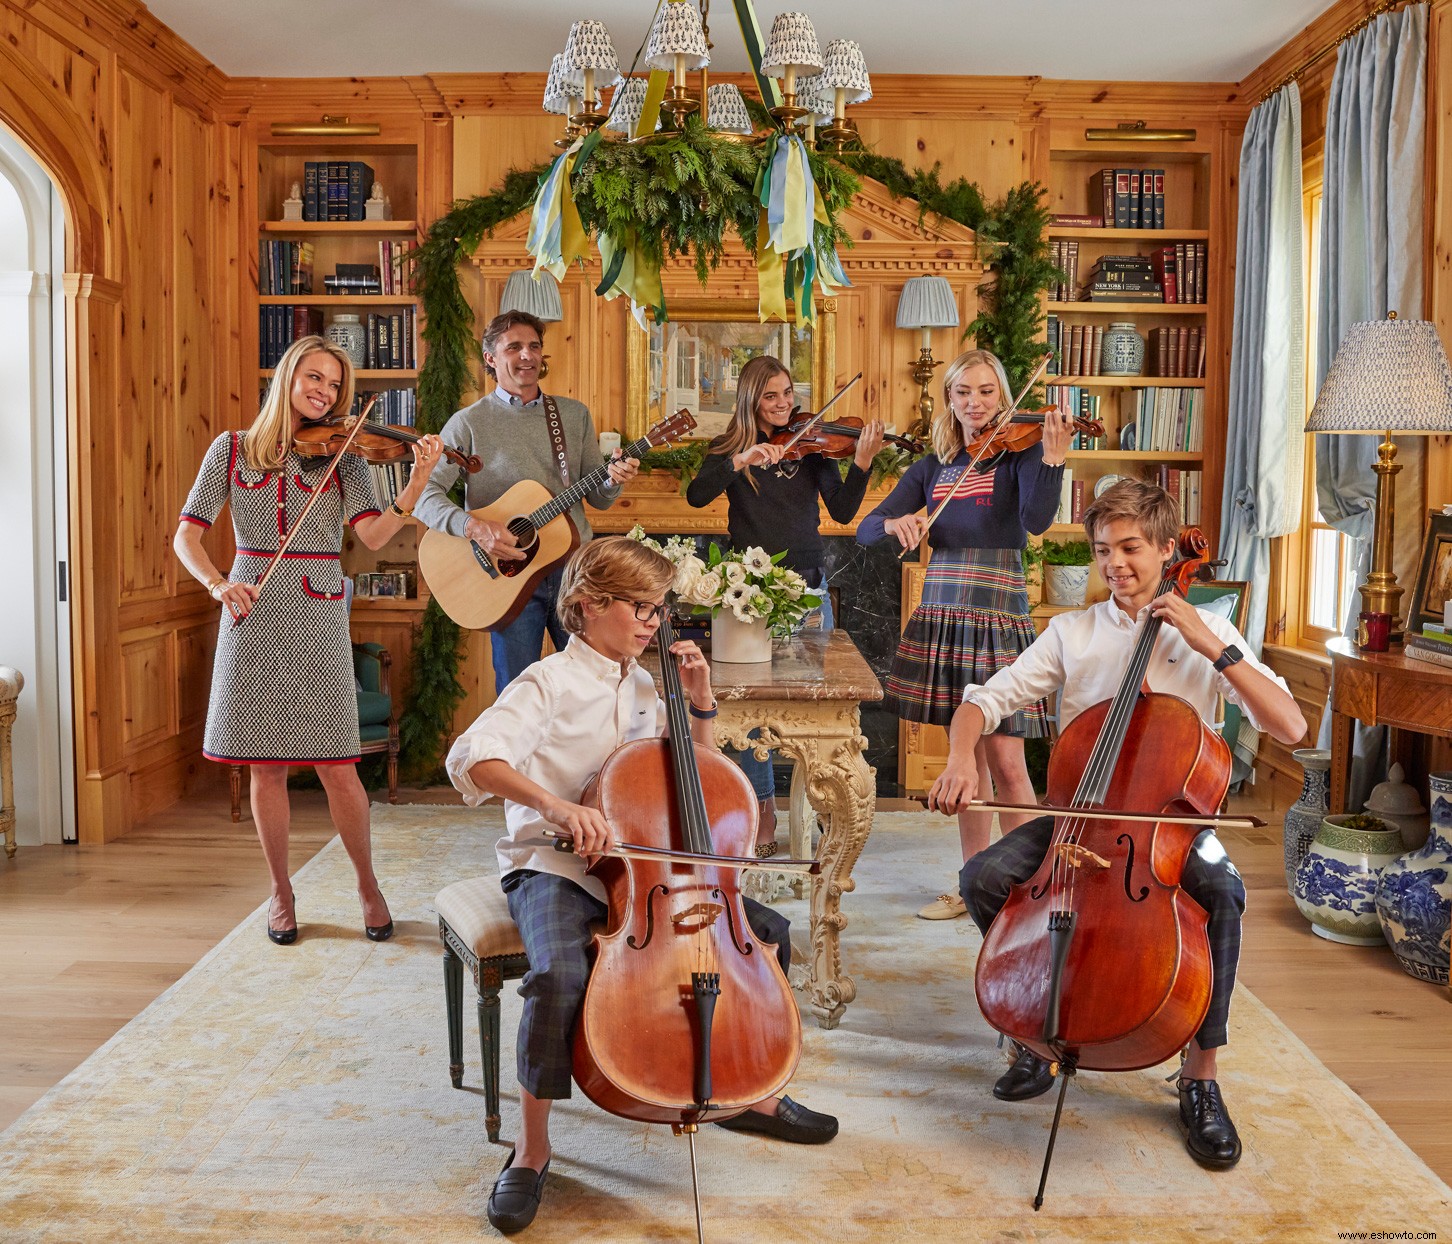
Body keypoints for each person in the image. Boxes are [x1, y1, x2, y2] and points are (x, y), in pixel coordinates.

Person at [446, 536, 838, 1235]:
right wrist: (557, 805)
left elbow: (708, 793)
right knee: (559, 974)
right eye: (640, 607)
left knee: (767, 937)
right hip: (555, 866)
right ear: (588, 605)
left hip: (649, 878)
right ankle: (531, 1150)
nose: (653, 622)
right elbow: (473, 759)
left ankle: (748, 1094)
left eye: (659, 609)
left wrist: (701, 706)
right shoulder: (544, 684)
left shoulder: (647, 686)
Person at [929, 478, 1307, 1170]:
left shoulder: (1210, 632)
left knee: (1224, 894)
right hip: (1082, 818)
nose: (1115, 564)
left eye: (1131, 547)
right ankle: (1036, 1034)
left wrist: (1206, 640)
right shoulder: (1071, 631)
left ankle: (1201, 1076)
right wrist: (960, 757)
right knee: (984, 879)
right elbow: (985, 700)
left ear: (1168, 550)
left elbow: (1288, 723)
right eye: (1103, 550)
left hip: (1169, 824)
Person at [173, 335, 445, 944]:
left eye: (334, 386)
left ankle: (368, 887)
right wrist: (218, 585)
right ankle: (280, 891)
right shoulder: (232, 450)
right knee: (265, 771)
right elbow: (186, 538)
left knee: (339, 770)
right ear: (288, 378)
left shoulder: (345, 456)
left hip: (319, 611)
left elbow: (374, 537)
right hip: (251, 610)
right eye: (314, 378)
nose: (324, 393)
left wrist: (419, 477)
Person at [857, 349, 1070, 918]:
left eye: (986, 392)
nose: (975, 403)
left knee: (1007, 764)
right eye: (963, 393)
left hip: (997, 618)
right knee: (967, 764)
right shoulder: (933, 468)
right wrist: (895, 522)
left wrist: (1051, 461)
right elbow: (864, 528)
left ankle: (1028, 887)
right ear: (948, 401)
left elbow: (1037, 522)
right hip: (945, 616)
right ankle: (973, 884)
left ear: (1002, 396)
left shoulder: (1019, 458)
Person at [685, 354, 884, 855]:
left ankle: (823, 811)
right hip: (750, 595)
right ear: (751, 399)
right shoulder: (728, 449)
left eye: (787, 393)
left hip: (808, 586)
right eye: (770, 395)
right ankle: (764, 810)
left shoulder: (814, 450)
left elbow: (840, 509)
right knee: (751, 708)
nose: (782, 404)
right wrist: (741, 461)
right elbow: (695, 495)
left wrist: (860, 463)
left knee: (818, 705)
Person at [413, 309, 640, 693]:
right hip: (506, 576)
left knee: (595, 687)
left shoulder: (571, 415)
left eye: (534, 346)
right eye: (514, 346)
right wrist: (474, 527)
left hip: (574, 573)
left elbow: (599, 499)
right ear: (490, 358)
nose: (527, 355)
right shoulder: (468, 423)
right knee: (517, 695)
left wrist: (614, 479)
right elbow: (421, 495)